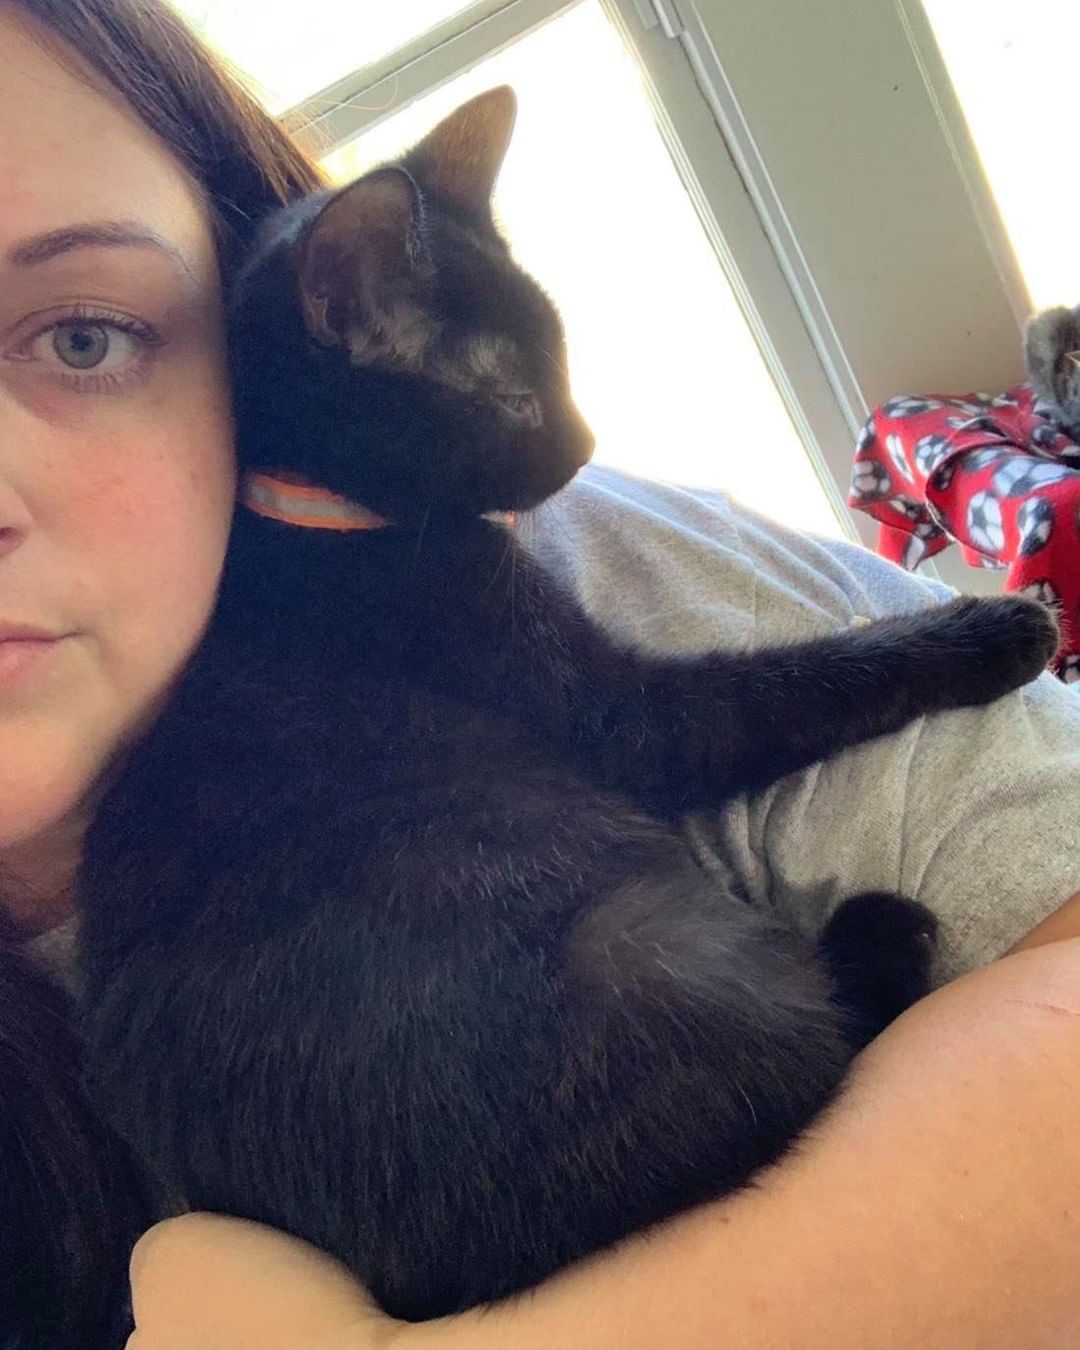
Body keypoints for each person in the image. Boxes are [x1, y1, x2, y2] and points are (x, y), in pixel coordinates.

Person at [0, 0, 1076, 1346]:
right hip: (575, 1082)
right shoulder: (400, 576)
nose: (568, 452)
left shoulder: (581, 553)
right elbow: (653, 736)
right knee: (688, 993)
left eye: (82, 334)